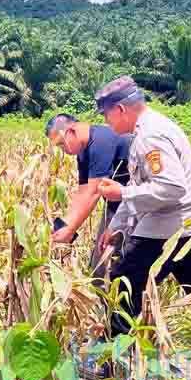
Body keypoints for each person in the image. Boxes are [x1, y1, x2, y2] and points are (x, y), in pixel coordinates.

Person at [92, 76, 191, 341]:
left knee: (123, 290)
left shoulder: (150, 136)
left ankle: (110, 360)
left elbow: (172, 188)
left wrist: (121, 192)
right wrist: (116, 226)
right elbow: (145, 188)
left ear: (121, 110)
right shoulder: (153, 127)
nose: (107, 122)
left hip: (168, 231)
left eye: (107, 115)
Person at [45, 113, 133, 278]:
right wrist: (64, 225)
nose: (63, 151)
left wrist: (71, 229)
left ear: (71, 131)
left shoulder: (100, 141)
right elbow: (82, 192)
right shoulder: (83, 153)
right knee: (99, 263)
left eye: (61, 144)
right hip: (116, 205)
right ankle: (101, 297)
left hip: (136, 204)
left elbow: (93, 194)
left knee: (114, 262)